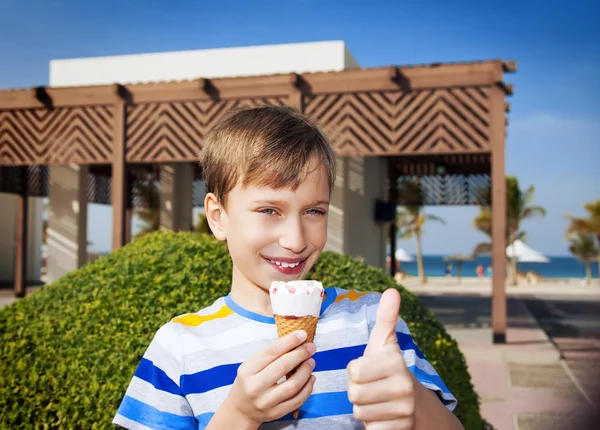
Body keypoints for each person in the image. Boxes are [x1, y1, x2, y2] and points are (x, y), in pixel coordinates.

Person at [112, 106, 463, 429]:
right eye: (269, 210)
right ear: (218, 218)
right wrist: (239, 415)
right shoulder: (179, 346)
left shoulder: (370, 323)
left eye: (314, 211)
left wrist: (414, 400)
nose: (295, 240)